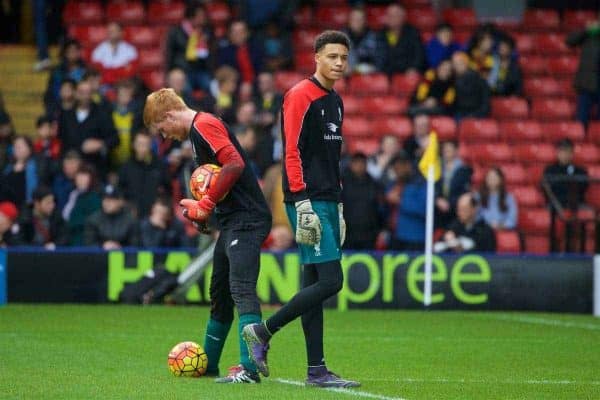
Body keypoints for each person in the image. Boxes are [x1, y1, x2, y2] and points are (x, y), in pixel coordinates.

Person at [242, 30, 360, 388]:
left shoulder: (335, 101)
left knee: (314, 283)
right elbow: (290, 152)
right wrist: (303, 203)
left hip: (327, 200)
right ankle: (263, 331)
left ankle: (317, 370)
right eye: (332, 56)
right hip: (306, 200)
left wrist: (338, 207)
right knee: (332, 280)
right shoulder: (299, 95)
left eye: (343, 57)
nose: (339, 63)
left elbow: (332, 159)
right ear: (317, 58)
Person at [143, 87, 272, 383]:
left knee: (241, 288)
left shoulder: (204, 125)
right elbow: (220, 180)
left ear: (169, 114)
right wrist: (205, 216)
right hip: (231, 221)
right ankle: (209, 364)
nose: (164, 136)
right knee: (220, 295)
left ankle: (249, 369)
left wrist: (206, 204)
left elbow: (235, 164)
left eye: (162, 128)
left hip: (247, 219)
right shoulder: (197, 132)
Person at [58, 79, 118, 178]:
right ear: (76, 93)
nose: (85, 96)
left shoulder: (102, 114)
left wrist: (100, 144)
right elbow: (62, 141)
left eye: (88, 92)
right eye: (82, 92)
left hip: (94, 170)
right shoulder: (66, 115)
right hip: (71, 172)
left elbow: (115, 139)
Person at [118, 131, 171, 218]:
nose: (142, 148)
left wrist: (160, 206)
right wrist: (128, 207)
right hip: (131, 216)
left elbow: (167, 190)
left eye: (145, 144)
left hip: (154, 217)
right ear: (134, 145)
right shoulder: (126, 166)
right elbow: (120, 191)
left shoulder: (159, 165)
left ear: (150, 145)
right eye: (139, 144)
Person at [165, 1, 214, 91]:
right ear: (191, 17)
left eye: (203, 15)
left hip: (201, 70)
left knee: (211, 87)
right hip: (183, 69)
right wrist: (169, 72)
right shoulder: (176, 31)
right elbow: (169, 54)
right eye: (200, 15)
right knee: (186, 90)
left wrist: (205, 42)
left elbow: (212, 54)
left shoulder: (207, 31)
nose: (203, 18)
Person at [341, 152, 384, 249]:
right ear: (351, 164)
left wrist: (380, 229)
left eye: (362, 163)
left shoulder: (374, 184)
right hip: (347, 232)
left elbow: (380, 208)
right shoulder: (342, 183)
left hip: (369, 233)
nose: (359, 166)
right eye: (357, 163)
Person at [566, 12, 600, 127]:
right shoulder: (589, 34)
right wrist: (586, 30)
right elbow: (569, 41)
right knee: (581, 119)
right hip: (587, 82)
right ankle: (579, 141)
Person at [375, 3, 425, 75]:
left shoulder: (412, 33)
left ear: (403, 17)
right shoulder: (381, 34)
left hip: (407, 73)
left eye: (394, 15)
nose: (391, 18)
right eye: (389, 15)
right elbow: (378, 57)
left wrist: (414, 68)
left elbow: (419, 54)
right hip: (387, 74)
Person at [84, 184, 139, 249]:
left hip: (123, 257)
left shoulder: (130, 220)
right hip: (99, 257)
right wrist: (102, 246)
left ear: (120, 201)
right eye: (104, 199)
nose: (107, 203)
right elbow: (89, 244)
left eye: (111, 199)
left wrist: (120, 248)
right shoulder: (93, 220)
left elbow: (135, 245)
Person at [542, 139, 589, 209]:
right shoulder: (550, 170)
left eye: (568, 151)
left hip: (576, 205)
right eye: (563, 151)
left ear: (572, 153)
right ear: (557, 152)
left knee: (590, 213)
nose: (565, 154)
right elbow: (547, 189)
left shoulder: (580, 171)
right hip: (555, 205)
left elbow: (583, 188)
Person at [436, 140, 472, 228]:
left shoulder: (464, 170)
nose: (446, 152)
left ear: (456, 151)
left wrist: (450, 203)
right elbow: (433, 186)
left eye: (449, 150)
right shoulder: (437, 167)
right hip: (438, 210)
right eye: (445, 150)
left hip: (455, 211)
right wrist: (437, 199)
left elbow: (464, 191)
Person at [63, 164, 102, 246]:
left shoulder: (94, 198)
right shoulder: (74, 195)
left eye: (84, 178)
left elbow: (93, 223)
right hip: (70, 241)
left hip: (84, 244)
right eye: (79, 177)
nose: (80, 180)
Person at [452, 51, 490, 119]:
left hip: (475, 115)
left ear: (466, 63)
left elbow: (485, 104)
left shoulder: (479, 79)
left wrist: (474, 116)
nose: (456, 66)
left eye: (459, 63)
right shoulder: (452, 79)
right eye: (454, 63)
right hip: (458, 114)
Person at [344, 7, 379, 74]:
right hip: (346, 75)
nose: (357, 22)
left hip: (369, 74)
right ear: (349, 21)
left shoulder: (374, 36)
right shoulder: (340, 37)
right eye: (354, 19)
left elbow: (378, 58)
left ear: (365, 21)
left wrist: (372, 67)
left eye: (360, 19)